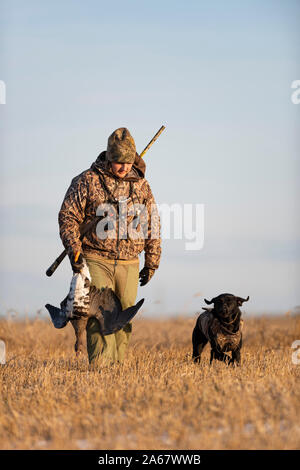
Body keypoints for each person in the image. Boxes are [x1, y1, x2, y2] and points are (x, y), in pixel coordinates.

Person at [58, 128, 161, 366]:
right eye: (117, 162)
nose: (123, 167)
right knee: (98, 314)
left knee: (124, 316)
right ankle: (101, 368)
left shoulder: (142, 186)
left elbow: (152, 224)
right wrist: (74, 249)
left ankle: (118, 367)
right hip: (95, 258)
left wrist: (152, 261)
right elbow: (68, 217)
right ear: (108, 158)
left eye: (127, 161)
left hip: (130, 262)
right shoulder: (87, 180)